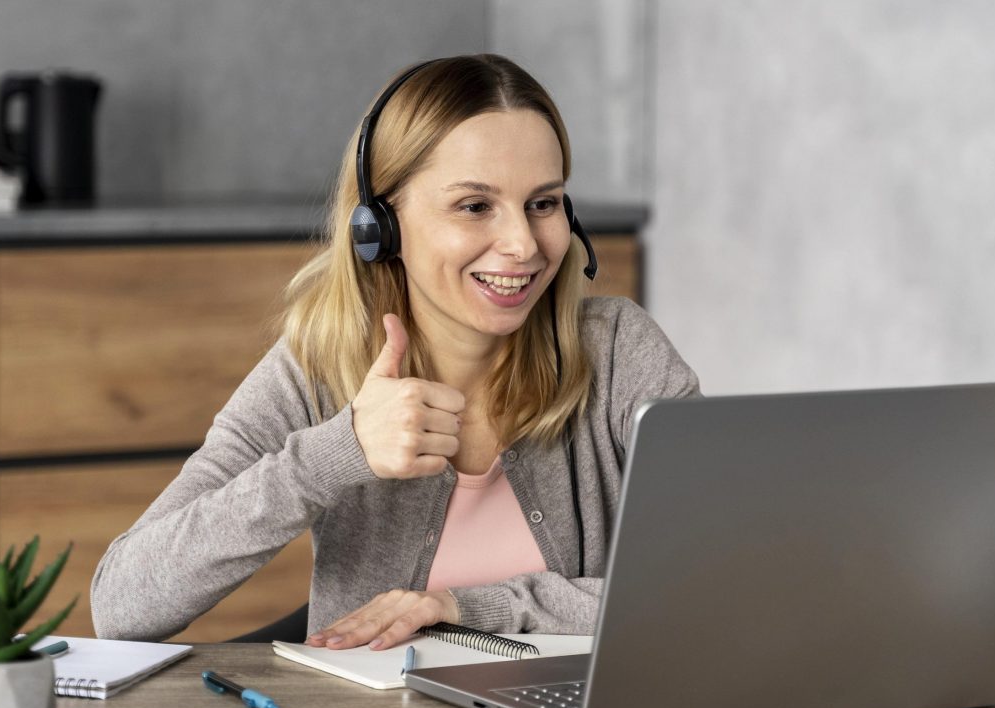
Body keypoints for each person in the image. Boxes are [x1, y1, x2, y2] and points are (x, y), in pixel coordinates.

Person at [90, 54, 699, 650]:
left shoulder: (619, 350)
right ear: (380, 225)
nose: (523, 244)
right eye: (475, 206)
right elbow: (122, 605)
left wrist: (468, 607)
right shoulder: (317, 371)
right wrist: (335, 454)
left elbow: (710, 579)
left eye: (542, 204)